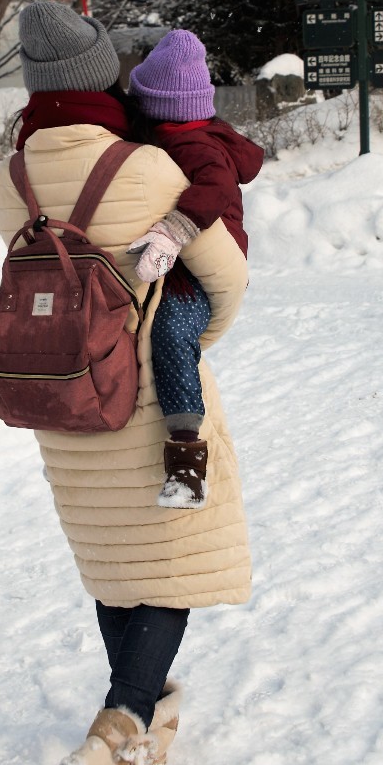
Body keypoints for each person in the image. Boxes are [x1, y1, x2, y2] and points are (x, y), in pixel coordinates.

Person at [0, 1, 252, 765]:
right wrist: (180, 339)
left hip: (60, 397)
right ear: (101, 74)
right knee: (172, 568)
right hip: (145, 402)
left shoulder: (15, 176)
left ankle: (149, 711)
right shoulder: (142, 168)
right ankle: (117, 731)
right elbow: (226, 278)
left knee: (116, 563)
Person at [122, 29, 264, 510]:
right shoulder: (166, 135)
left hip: (198, 270)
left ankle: (186, 459)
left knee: (170, 331)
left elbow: (216, 185)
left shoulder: (196, 145)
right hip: (171, 263)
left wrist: (176, 229)